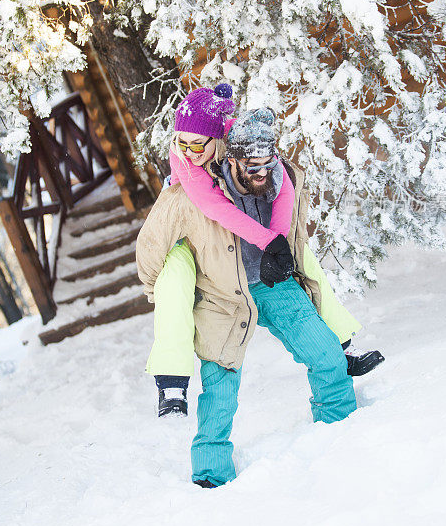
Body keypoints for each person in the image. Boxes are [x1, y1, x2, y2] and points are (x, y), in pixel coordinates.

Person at [137, 107, 364, 487]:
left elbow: (289, 220)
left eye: (267, 164)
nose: (261, 173)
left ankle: (343, 432)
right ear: (230, 157)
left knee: (326, 354)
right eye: (251, 167)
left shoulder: (277, 176)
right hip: (220, 298)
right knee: (220, 392)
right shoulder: (186, 196)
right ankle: (211, 475)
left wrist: (282, 252)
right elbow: (150, 250)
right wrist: (169, 288)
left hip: (273, 284)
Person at [146, 85, 382, 417]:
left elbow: (282, 180)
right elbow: (214, 207)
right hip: (199, 238)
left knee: (304, 260)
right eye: (180, 141)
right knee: (173, 281)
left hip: (246, 249)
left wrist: (279, 242)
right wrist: (267, 241)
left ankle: (344, 345)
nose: (187, 150)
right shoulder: (183, 158)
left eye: (196, 143)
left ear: (217, 138)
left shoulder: (238, 137)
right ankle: (171, 379)